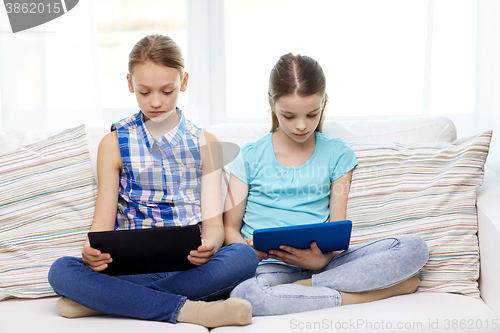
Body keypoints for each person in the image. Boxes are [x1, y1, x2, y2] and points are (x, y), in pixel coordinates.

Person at [48, 34, 259, 328]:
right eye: (145, 92)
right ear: (130, 84)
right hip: (129, 269)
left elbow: (213, 226)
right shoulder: (114, 143)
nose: (156, 102)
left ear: (183, 82)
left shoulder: (204, 143)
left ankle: (103, 302)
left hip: (189, 266)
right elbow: (101, 227)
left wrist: (209, 245)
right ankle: (189, 310)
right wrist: (91, 252)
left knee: (243, 256)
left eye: (167, 91)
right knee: (61, 271)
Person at [223, 52, 429, 316]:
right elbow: (230, 226)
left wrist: (322, 260)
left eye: (312, 114)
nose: (301, 126)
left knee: (414, 248)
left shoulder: (337, 153)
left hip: (328, 264)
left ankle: (306, 287)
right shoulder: (249, 156)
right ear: (271, 104)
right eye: (288, 116)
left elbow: (336, 228)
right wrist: (248, 254)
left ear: (324, 103)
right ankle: (363, 295)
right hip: (269, 266)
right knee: (245, 295)